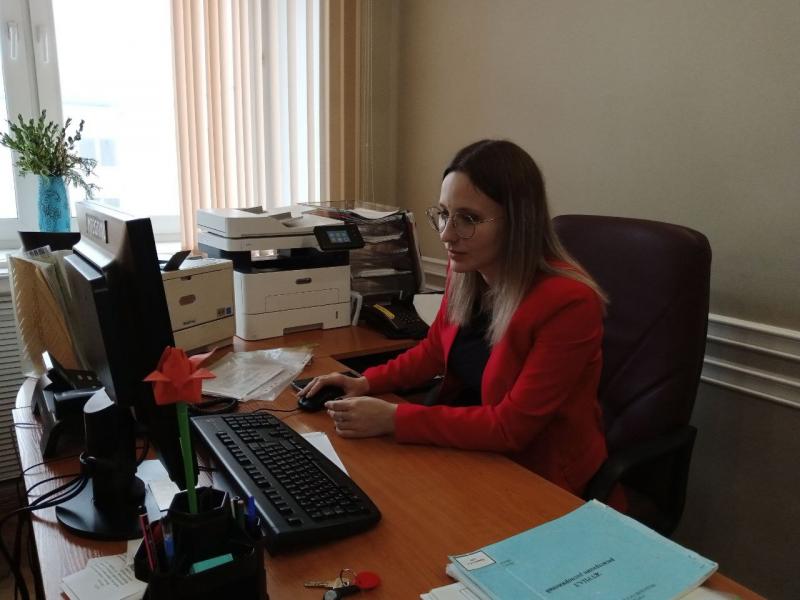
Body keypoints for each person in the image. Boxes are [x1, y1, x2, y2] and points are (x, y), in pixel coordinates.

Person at [300, 139, 608, 496]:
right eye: (444, 214)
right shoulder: (467, 271)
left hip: (538, 476)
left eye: (469, 219)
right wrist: (365, 383)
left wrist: (394, 419)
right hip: (470, 451)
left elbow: (510, 429)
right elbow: (432, 352)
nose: (447, 235)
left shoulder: (569, 304)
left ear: (518, 223)